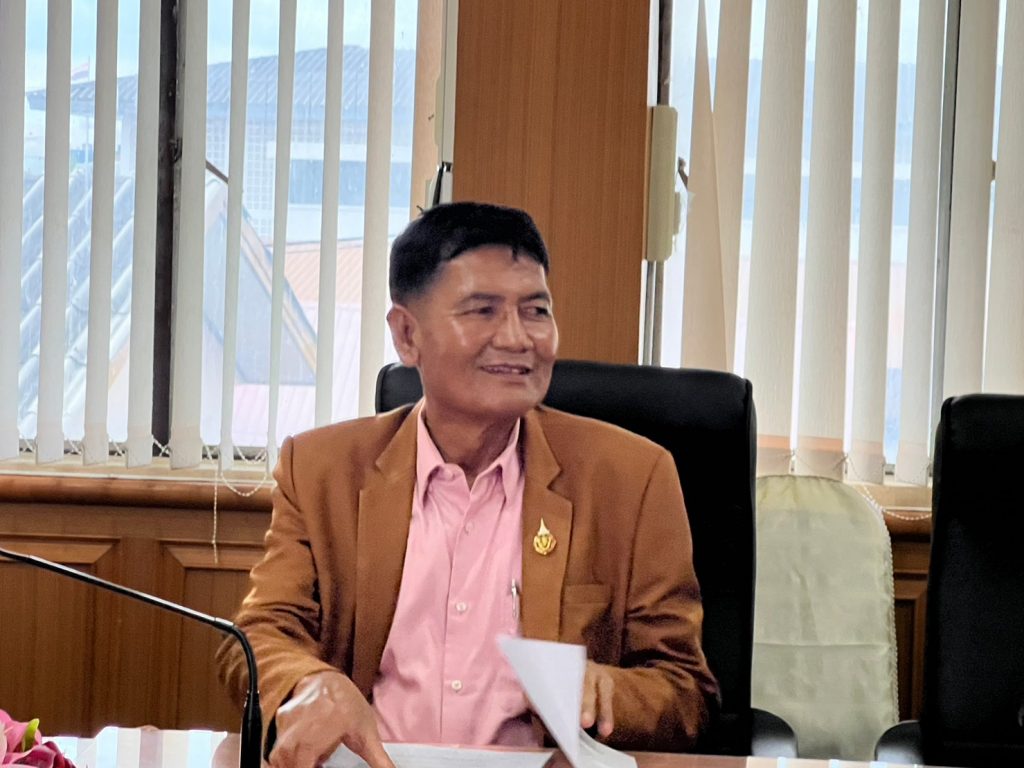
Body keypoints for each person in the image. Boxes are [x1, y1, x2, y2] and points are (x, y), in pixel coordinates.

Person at [217, 202, 719, 768]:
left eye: (536, 311)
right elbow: (258, 635)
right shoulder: (322, 470)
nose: (518, 338)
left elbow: (686, 691)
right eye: (483, 311)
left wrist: (611, 692)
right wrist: (309, 684)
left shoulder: (631, 478)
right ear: (407, 335)